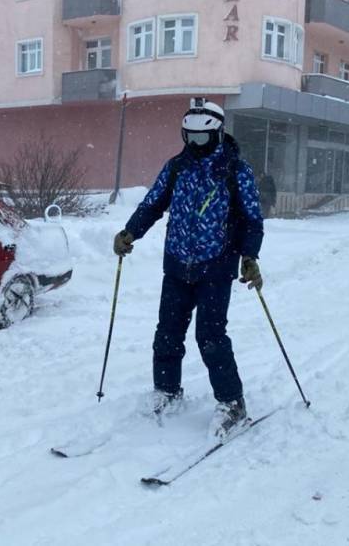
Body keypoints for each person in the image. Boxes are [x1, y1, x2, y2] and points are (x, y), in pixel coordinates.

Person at [113, 98, 264, 440]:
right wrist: (129, 231)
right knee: (167, 332)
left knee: (210, 337)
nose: (194, 146)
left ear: (217, 135)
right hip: (178, 265)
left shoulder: (235, 170)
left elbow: (253, 220)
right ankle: (167, 390)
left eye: (201, 139)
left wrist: (250, 256)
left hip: (216, 266)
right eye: (189, 138)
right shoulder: (177, 167)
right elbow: (152, 204)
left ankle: (232, 403)